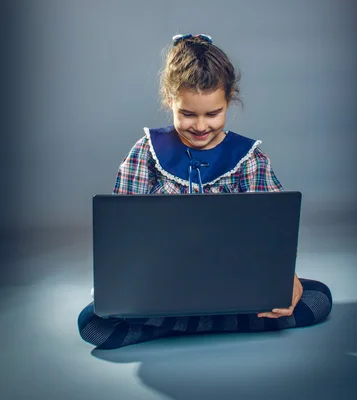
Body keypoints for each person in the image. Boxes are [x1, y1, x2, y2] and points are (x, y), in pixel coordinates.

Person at [78, 33, 332, 349]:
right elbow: (121, 239)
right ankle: (225, 322)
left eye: (213, 113)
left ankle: (176, 326)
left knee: (318, 296)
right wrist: (124, 287)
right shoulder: (145, 153)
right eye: (188, 113)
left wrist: (286, 279)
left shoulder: (249, 158)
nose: (200, 126)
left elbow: (274, 236)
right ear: (170, 101)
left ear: (229, 101)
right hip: (161, 287)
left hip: (236, 285)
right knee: (91, 321)